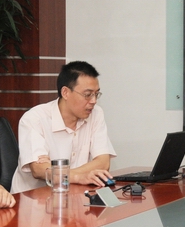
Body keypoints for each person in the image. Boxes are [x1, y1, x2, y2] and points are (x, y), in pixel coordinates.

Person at [11, 61, 116, 193]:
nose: (94, 101)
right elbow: (38, 170)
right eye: (88, 95)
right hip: (32, 199)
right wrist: (78, 177)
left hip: (73, 195)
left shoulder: (96, 114)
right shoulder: (34, 119)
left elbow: (103, 163)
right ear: (65, 92)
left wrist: (56, 172)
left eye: (96, 94)